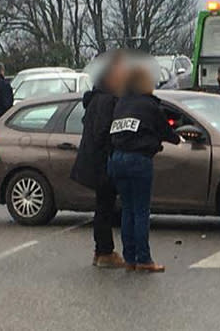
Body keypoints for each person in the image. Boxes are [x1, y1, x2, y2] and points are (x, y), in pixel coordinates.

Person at [108, 65, 180, 272]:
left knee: (127, 209)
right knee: (141, 211)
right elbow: (166, 131)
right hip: (138, 159)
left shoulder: (121, 104)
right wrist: (178, 139)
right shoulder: (149, 105)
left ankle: (129, 258)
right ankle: (144, 259)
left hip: (117, 158)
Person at [70, 51, 126, 268]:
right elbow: (104, 132)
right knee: (104, 207)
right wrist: (116, 148)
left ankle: (102, 250)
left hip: (96, 161)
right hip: (102, 162)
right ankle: (104, 251)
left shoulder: (98, 98)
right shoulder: (106, 101)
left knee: (104, 206)